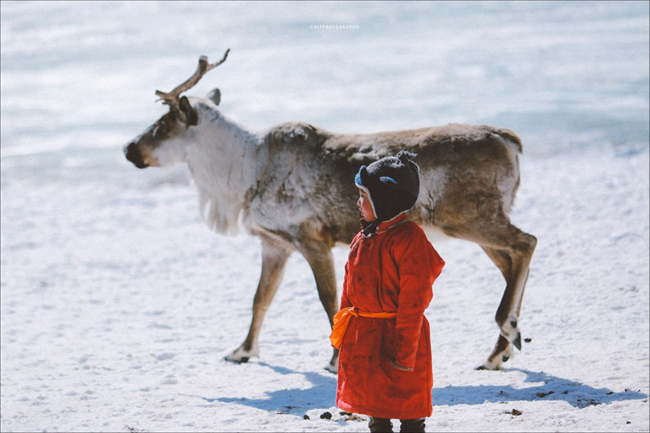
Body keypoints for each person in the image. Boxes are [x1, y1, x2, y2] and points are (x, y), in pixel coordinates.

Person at [330, 151, 445, 433]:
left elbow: (414, 301)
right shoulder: (363, 238)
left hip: (399, 338)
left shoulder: (409, 239)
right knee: (376, 410)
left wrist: (406, 351)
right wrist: (343, 329)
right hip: (366, 339)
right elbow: (349, 290)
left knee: (409, 410)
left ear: (385, 200)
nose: (358, 202)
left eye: (364, 197)